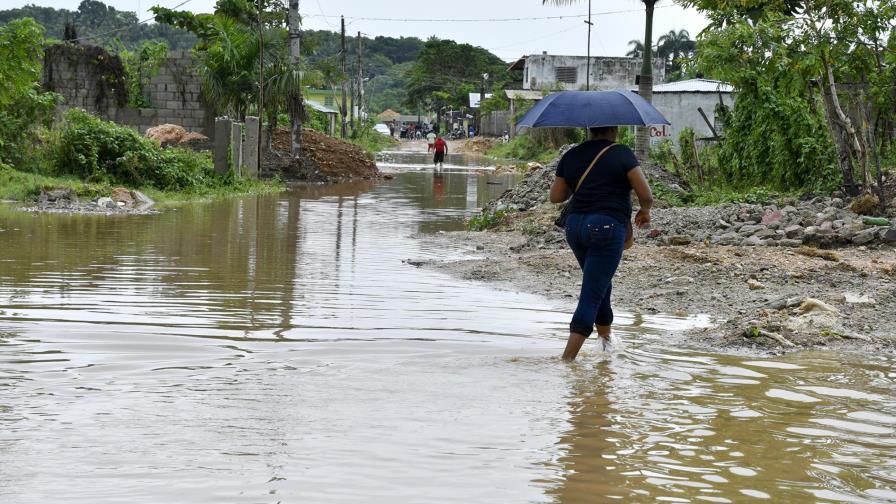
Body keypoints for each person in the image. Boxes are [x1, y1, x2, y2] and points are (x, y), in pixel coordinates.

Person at [548, 126, 653, 361]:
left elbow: (555, 197)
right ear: (614, 130)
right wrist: (644, 211)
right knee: (591, 294)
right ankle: (567, 362)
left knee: (599, 284)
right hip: (607, 227)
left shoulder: (572, 155)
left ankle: (606, 344)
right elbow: (645, 194)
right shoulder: (622, 153)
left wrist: (580, 184)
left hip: (575, 227)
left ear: (589, 130)